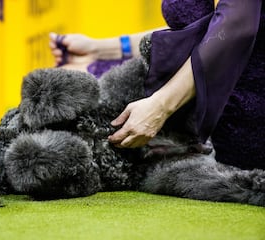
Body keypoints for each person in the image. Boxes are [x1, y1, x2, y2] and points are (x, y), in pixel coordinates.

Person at [49, 0, 264, 170]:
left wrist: (160, 107)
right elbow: (204, 29)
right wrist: (102, 50)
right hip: (214, 134)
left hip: (246, 138)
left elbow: (236, 27)